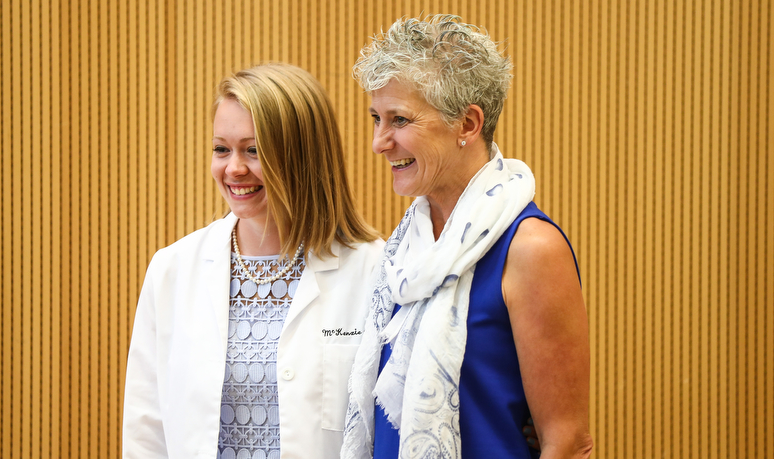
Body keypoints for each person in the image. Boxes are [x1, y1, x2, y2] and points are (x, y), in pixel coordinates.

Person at [342, 15, 593, 459]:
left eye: (399, 120)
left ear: (468, 124)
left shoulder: (531, 249)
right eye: (376, 118)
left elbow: (567, 442)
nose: (379, 142)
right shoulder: (404, 251)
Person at [123, 63, 384, 458]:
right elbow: (147, 429)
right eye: (221, 149)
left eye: (254, 150)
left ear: (303, 157)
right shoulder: (173, 270)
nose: (233, 169)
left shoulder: (372, 270)